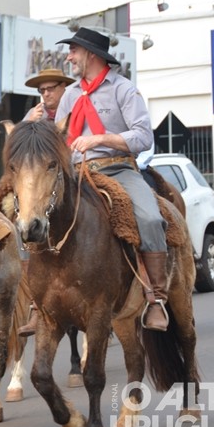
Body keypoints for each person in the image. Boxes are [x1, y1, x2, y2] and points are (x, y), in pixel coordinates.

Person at [55, 27, 169, 332]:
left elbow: (144, 136)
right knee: (38, 215)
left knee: (150, 219)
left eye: (74, 51)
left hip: (117, 169)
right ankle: (38, 302)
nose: (69, 57)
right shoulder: (69, 95)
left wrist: (100, 139)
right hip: (76, 173)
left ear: (91, 54)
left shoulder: (123, 89)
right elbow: (59, 138)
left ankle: (156, 298)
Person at [18, 67, 75, 336]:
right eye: (41, 90)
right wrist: (28, 122)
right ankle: (34, 302)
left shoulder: (76, 105)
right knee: (9, 216)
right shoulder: (35, 118)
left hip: (81, 172)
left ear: (65, 88)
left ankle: (145, 289)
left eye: (51, 88)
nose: (46, 94)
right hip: (41, 182)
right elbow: (20, 154)